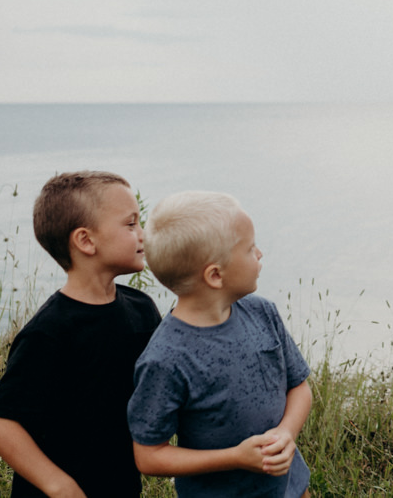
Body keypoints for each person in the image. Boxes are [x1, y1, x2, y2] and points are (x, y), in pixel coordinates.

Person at [0, 171, 162, 498]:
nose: (142, 233)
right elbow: (2, 428)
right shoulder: (50, 331)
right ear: (85, 241)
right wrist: (60, 485)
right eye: (130, 224)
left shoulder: (142, 309)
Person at [127, 191, 312, 498]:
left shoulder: (262, 313)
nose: (260, 254)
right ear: (215, 275)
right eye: (250, 248)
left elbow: (299, 387)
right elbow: (149, 455)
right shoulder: (165, 359)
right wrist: (235, 458)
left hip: (291, 488)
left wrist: (286, 432)